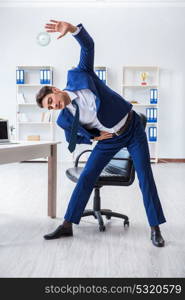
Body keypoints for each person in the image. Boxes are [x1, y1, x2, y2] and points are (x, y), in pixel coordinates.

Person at [36, 20, 166, 247]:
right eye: (48, 107)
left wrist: (73, 30)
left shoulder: (79, 76)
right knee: (86, 176)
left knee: (145, 176)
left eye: (50, 101)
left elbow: (88, 47)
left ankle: (155, 228)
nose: (52, 106)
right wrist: (92, 137)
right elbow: (72, 138)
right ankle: (67, 226)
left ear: (55, 90)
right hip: (108, 141)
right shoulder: (64, 119)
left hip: (132, 128)